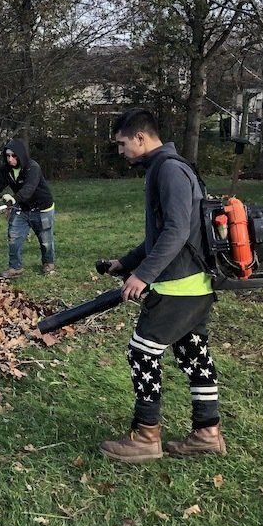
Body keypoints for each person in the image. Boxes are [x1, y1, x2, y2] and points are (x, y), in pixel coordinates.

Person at [99, 108, 225, 463]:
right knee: (194, 354)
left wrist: (143, 276)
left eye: (122, 144)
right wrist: (125, 262)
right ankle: (207, 433)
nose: (121, 151)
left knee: (141, 352)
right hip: (194, 283)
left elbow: (176, 232)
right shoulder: (168, 167)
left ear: (140, 138)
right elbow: (161, 235)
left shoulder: (169, 170)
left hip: (178, 287)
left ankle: (146, 436)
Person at [0, 138, 56, 278]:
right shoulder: (5, 170)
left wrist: (14, 198)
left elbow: (29, 188)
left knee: (45, 240)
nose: (10, 159)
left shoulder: (33, 167)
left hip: (42, 208)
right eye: (7, 156)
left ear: (20, 155)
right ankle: (15, 268)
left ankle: (48, 263)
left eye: (14, 156)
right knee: (14, 237)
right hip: (22, 208)